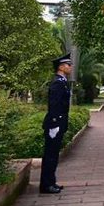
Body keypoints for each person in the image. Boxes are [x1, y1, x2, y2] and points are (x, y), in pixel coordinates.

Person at [40, 53, 72, 194]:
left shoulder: (62, 82)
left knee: (53, 155)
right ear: (60, 67)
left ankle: (51, 182)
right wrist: (55, 123)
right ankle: (46, 185)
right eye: (68, 65)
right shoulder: (57, 83)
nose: (70, 67)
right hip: (55, 123)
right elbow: (54, 105)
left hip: (59, 122)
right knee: (50, 155)